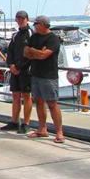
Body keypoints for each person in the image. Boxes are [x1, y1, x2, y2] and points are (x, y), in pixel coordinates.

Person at [23, 15, 65, 143]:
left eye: (35, 23)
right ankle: (42, 129)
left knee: (52, 103)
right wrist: (36, 52)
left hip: (49, 76)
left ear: (41, 24)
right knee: (39, 101)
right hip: (35, 74)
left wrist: (33, 52)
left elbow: (43, 56)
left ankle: (59, 132)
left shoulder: (53, 39)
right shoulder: (34, 37)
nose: (33, 26)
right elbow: (25, 52)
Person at [0, 11, 33, 134]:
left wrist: (20, 67)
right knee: (15, 96)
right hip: (15, 70)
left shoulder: (30, 34)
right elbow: (10, 52)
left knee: (26, 96)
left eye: (22, 18)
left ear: (27, 19)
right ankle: (14, 121)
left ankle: (26, 123)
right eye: (18, 18)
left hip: (26, 71)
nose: (20, 20)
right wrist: (12, 65)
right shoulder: (15, 35)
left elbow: (31, 54)